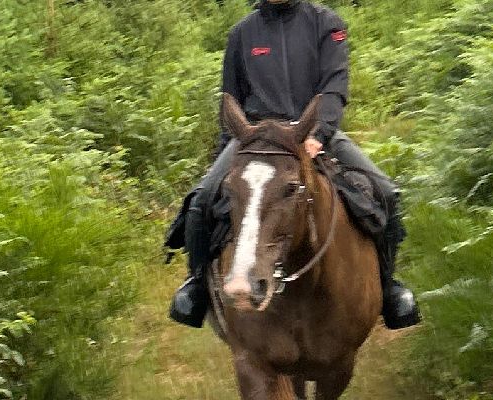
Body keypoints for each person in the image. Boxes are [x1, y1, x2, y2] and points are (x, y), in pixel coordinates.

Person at [166, 0, 420, 330]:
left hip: (312, 133)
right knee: (201, 200)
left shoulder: (326, 23)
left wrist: (319, 133)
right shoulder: (242, 33)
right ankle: (196, 286)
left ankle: (388, 289)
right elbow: (231, 98)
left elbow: (334, 85)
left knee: (385, 193)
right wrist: (225, 150)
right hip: (255, 138)